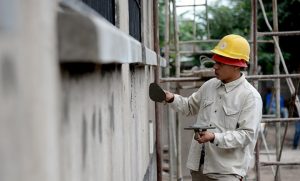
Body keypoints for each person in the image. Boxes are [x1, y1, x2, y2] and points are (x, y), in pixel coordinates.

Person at [164, 34, 262, 181]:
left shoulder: (250, 97)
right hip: (199, 168)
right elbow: (189, 106)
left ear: (237, 65)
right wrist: (172, 98)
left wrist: (214, 137)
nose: (215, 66)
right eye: (216, 61)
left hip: (226, 173)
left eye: (221, 63)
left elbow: (246, 135)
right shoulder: (209, 86)